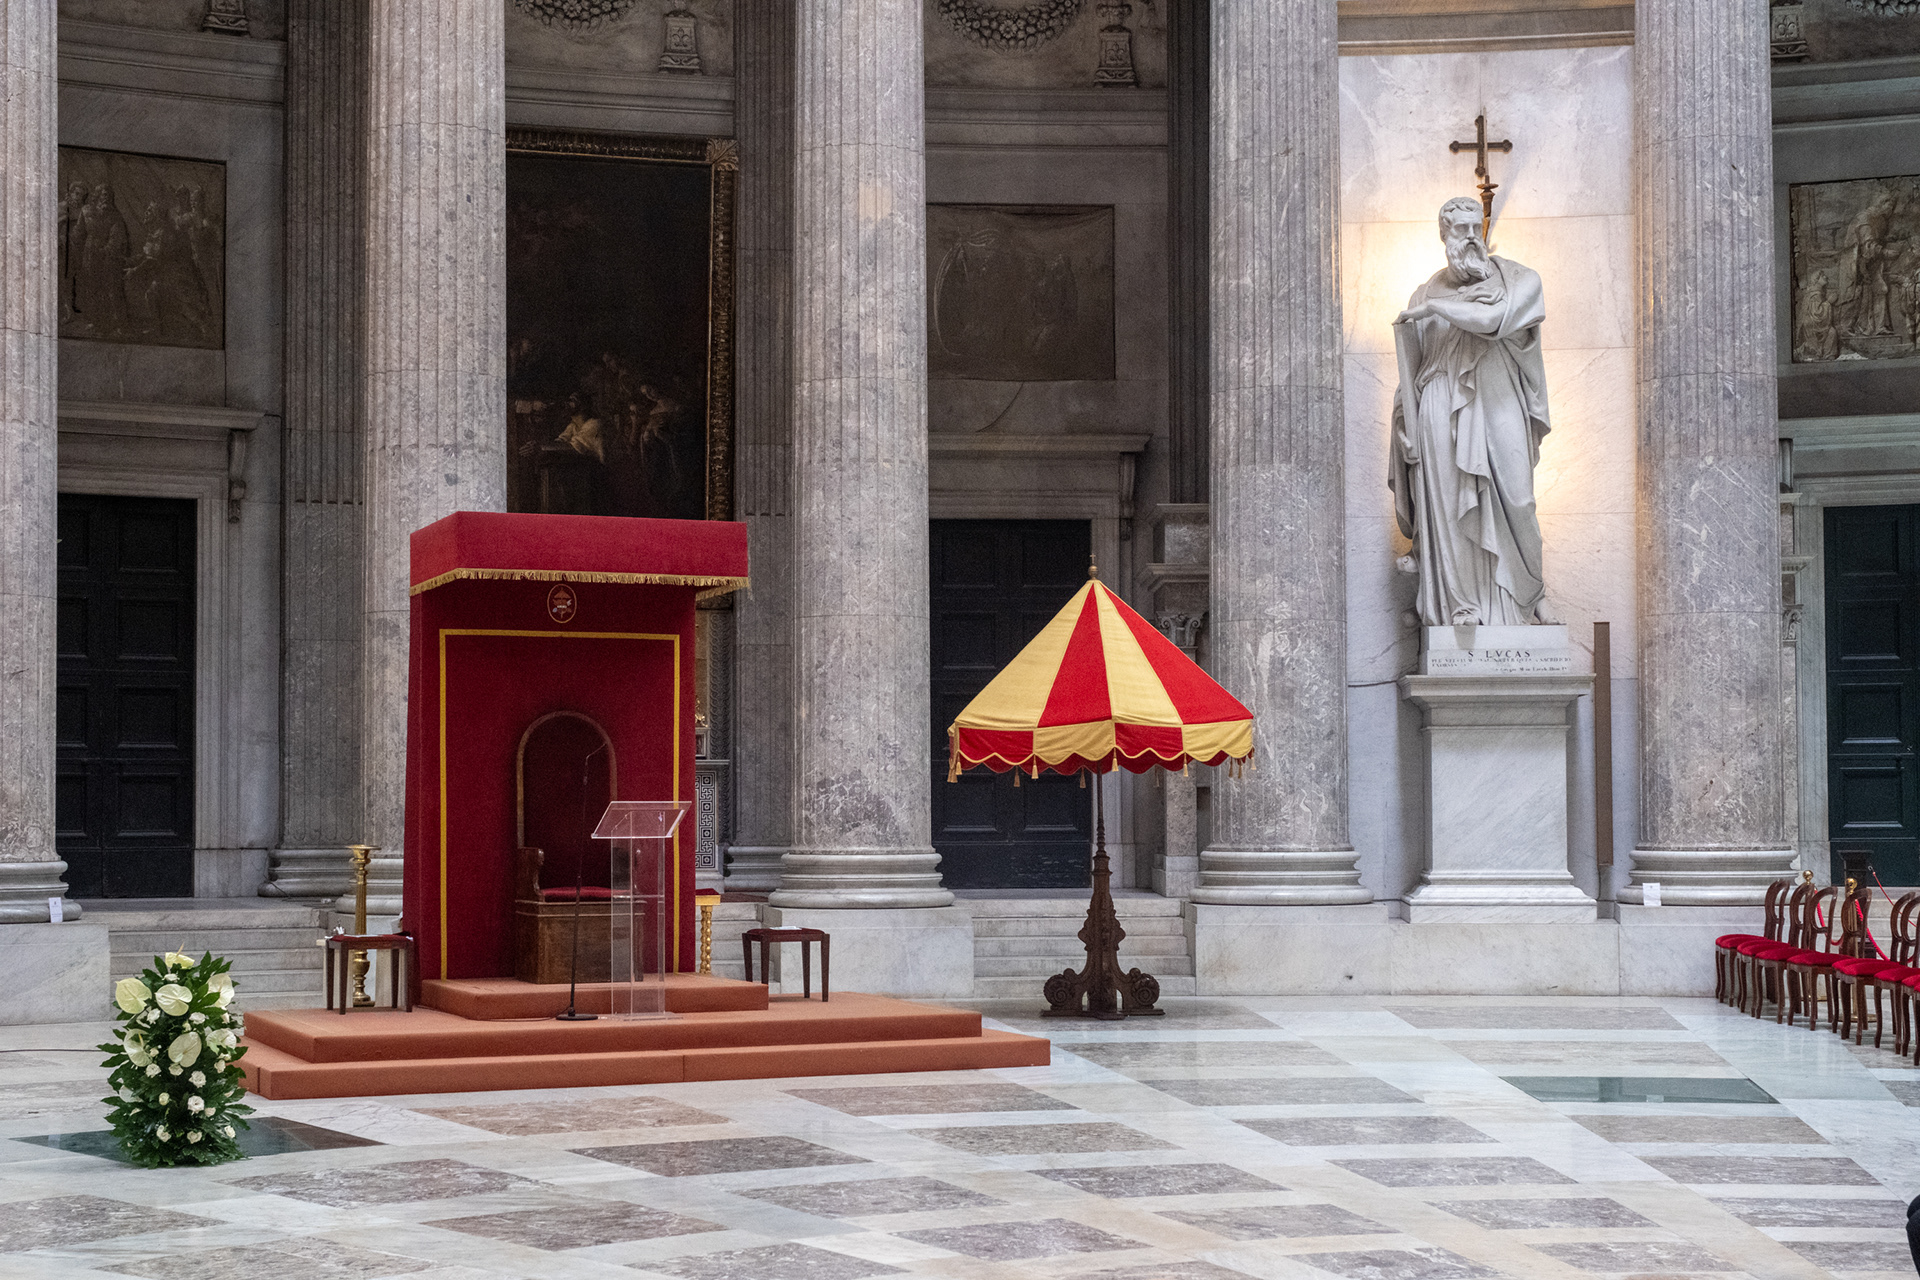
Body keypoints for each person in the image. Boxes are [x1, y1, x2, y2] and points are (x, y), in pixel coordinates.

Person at [1389, 196, 1556, 627]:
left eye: (1473, 229)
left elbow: (1494, 319)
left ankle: (1526, 595)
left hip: (1499, 395)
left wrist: (1437, 309)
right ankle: (1459, 606)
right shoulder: (1423, 292)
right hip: (1441, 399)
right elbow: (1412, 369)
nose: (1468, 238)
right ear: (1443, 236)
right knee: (1447, 506)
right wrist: (1404, 423)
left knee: (1518, 497)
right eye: (1458, 230)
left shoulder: (1518, 279)